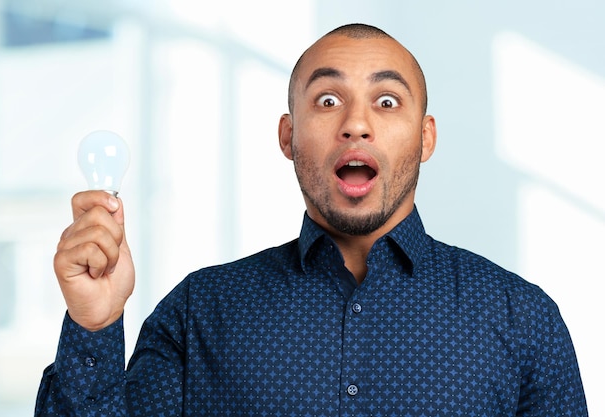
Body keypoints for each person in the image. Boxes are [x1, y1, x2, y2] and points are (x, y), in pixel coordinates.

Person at [35, 23, 588, 416]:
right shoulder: (199, 313)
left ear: (426, 138)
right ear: (288, 136)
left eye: (387, 102)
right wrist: (94, 325)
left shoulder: (524, 320)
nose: (356, 124)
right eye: (327, 100)